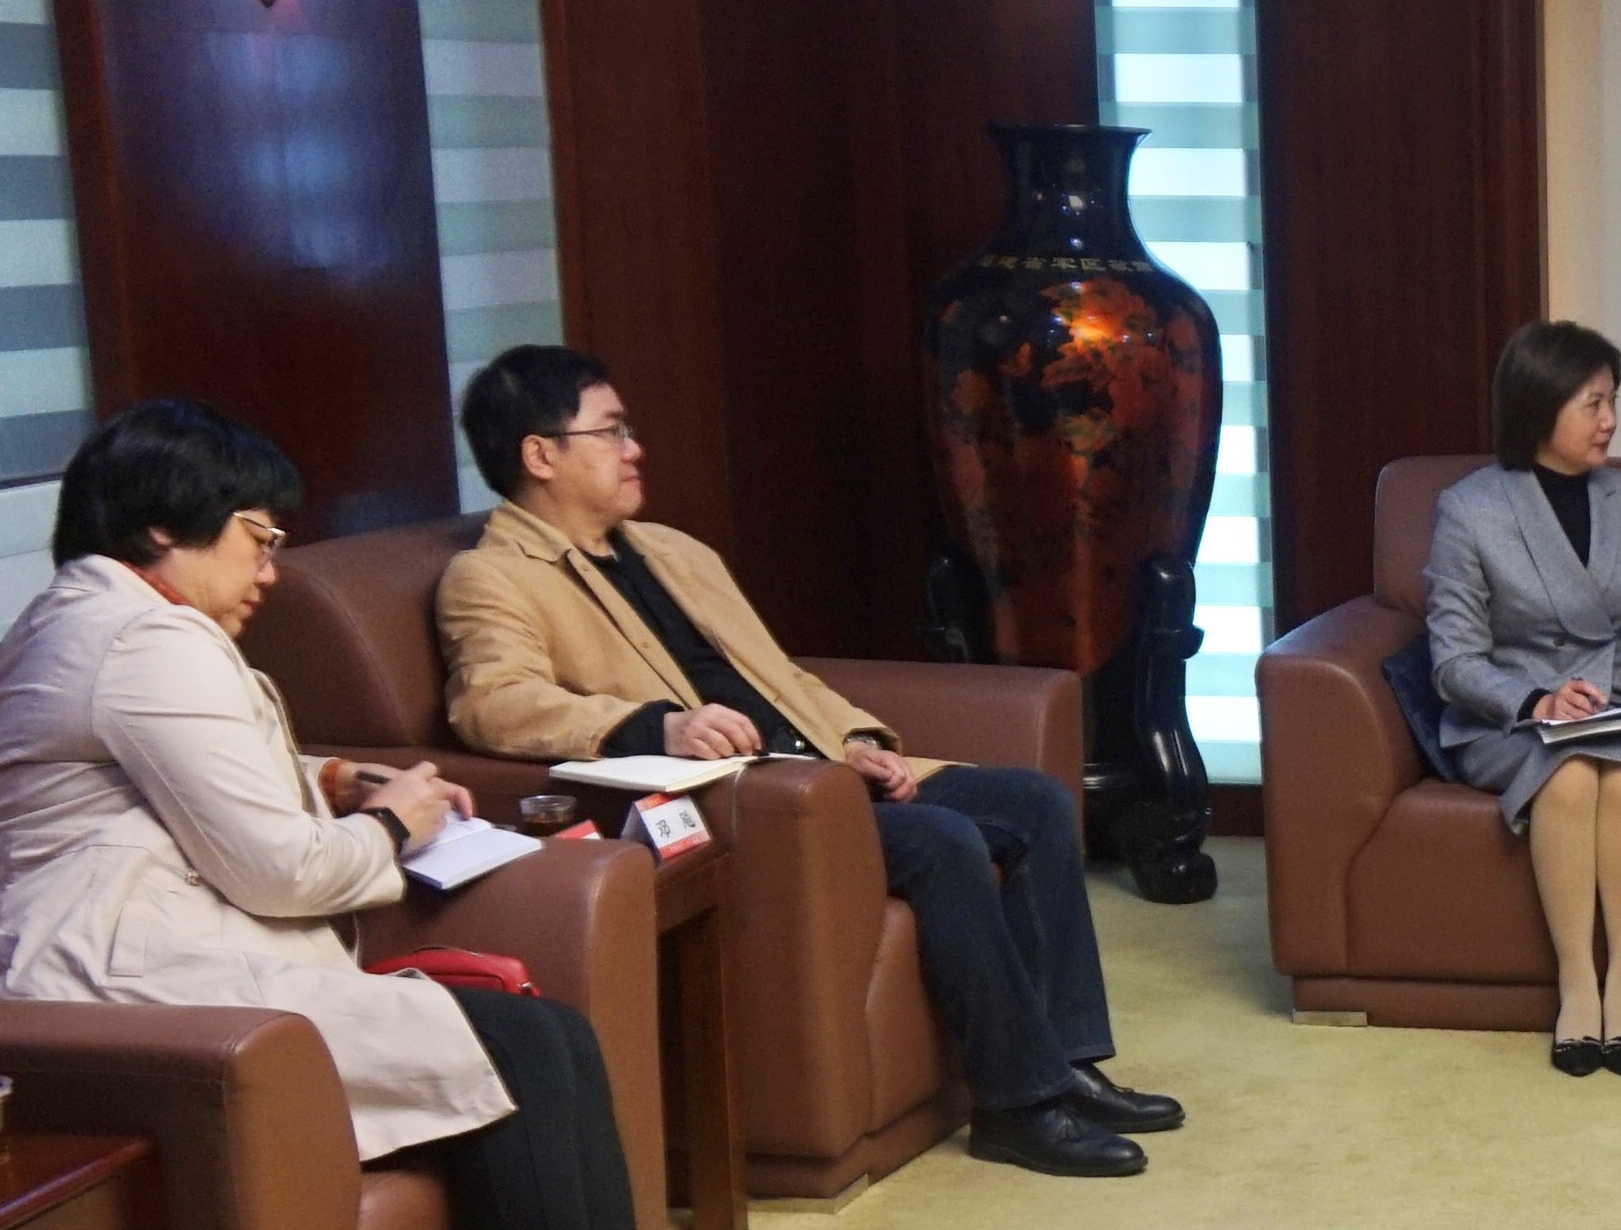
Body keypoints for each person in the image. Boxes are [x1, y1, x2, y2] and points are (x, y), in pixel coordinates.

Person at [0, 402, 771, 1230]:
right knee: (527, 1048)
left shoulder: (105, 621)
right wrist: (395, 823)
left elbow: (184, 766)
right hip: (131, 997)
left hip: (170, 969)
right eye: (257, 536)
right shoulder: (140, 641)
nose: (271, 571)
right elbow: (286, 871)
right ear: (162, 527)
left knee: (546, 1039)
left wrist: (334, 778)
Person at [435, 345, 1178, 1179]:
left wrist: (861, 742)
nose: (634, 449)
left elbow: (779, 677)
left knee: (1034, 802)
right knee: (941, 840)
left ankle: (1069, 1066)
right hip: (737, 803)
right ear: (540, 454)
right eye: (610, 432)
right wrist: (653, 725)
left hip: (819, 772)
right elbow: (492, 703)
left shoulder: (673, 551)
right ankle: (1019, 1105)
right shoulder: (490, 577)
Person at [1417, 319, 1621, 1077]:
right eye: (1592, 404)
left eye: (1613, 401)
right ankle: (1578, 986)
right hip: (1511, 718)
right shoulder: (1471, 508)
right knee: (1570, 777)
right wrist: (1538, 700)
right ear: (1540, 407)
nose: (1611, 420)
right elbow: (1453, 659)